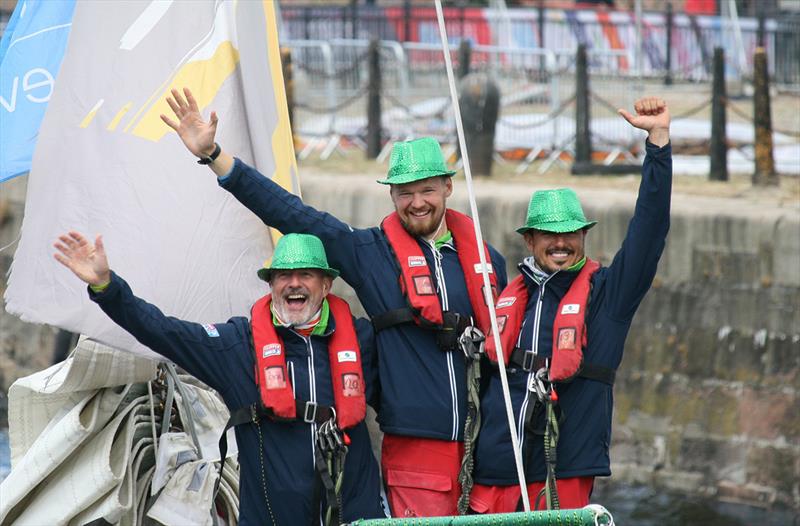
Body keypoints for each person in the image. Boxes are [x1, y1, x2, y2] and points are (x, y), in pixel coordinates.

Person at [160, 88, 507, 517]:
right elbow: (292, 214)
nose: (417, 202)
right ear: (392, 195)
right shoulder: (369, 254)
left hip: (486, 444)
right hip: (417, 453)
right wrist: (214, 156)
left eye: (428, 190)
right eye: (405, 193)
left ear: (448, 188)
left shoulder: (489, 263)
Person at [53, 231, 385, 525]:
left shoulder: (362, 339)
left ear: (326, 285)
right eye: (283, 275)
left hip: (353, 513)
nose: (293, 283)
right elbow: (163, 331)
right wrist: (107, 287)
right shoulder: (237, 346)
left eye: (305, 275)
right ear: (270, 285)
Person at [469, 96, 672, 513]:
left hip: (563, 472)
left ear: (583, 236)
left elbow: (649, 230)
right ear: (530, 240)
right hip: (493, 472)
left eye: (570, 233)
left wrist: (658, 146)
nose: (560, 242)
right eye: (548, 234)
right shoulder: (509, 295)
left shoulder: (608, 296)